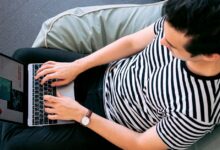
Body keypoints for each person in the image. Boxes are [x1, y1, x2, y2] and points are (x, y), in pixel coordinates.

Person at [1, 0, 220, 149]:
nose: (161, 43)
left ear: (210, 55)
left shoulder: (197, 111)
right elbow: (133, 42)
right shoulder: (185, 22)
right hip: (105, 74)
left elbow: (139, 145)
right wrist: (77, 65)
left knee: (12, 143)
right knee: (24, 56)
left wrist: (81, 115)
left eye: (171, 45)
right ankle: (20, 107)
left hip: (106, 122)